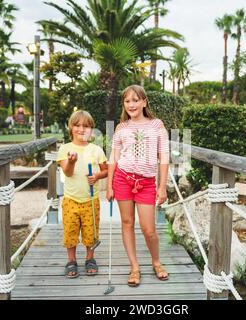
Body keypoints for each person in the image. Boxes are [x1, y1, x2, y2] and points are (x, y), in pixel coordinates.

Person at [106, 84, 170, 287]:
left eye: (135, 100)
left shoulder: (157, 125)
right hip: (123, 179)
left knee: (148, 229)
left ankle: (156, 261)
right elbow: (113, 158)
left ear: (144, 102)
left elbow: (164, 157)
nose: (131, 104)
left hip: (147, 182)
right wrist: (109, 185)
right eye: (127, 101)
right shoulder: (121, 128)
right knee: (127, 223)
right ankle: (134, 267)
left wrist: (162, 186)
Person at [56, 110, 108, 278]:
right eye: (77, 125)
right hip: (71, 199)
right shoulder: (65, 149)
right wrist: (71, 161)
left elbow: (106, 171)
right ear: (71, 128)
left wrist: (97, 176)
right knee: (70, 231)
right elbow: (68, 172)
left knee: (90, 232)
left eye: (86, 126)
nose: (81, 129)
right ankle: (71, 260)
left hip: (91, 200)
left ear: (91, 129)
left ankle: (89, 258)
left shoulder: (97, 150)